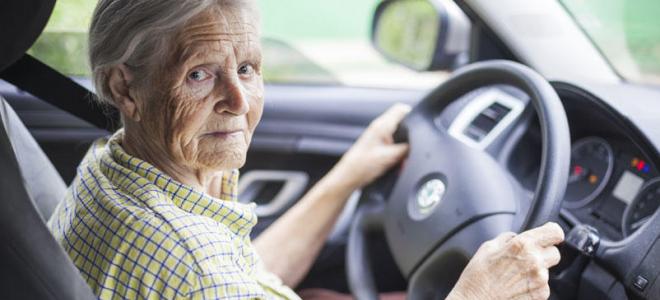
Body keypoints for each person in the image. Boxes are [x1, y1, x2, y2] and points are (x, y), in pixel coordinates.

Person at [47, 0, 564, 299]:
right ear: (125, 90)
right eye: (199, 74)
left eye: (247, 68)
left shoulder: (113, 167)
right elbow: (210, 276)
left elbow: (249, 273)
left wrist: (347, 176)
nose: (239, 99)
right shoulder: (195, 266)